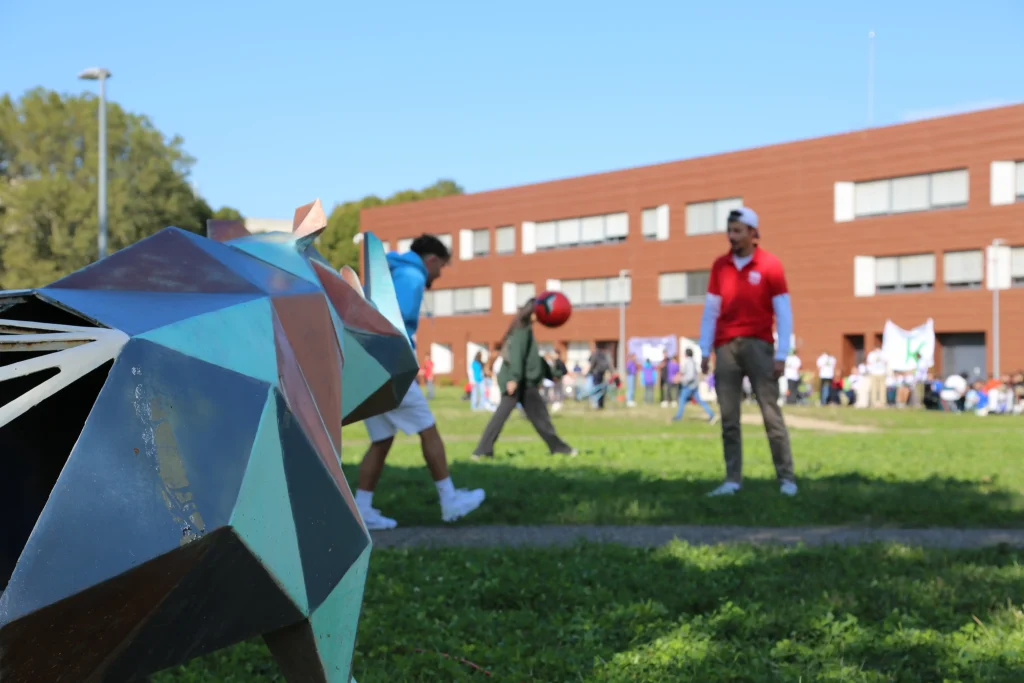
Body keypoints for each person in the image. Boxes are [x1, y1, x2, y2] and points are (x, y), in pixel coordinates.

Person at [357, 234, 485, 530]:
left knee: (382, 439)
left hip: (367, 363)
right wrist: (404, 361)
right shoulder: (413, 276)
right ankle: (449, 500)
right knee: (428, 428)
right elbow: (393, 321)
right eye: (441, 267)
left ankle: (362, 508)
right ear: (431, 260)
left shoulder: (390, 272)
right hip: (388, 364)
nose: (439, 275)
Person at [698, 207, 798, 497]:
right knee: (729, 417)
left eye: (738, 231)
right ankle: (732, 480)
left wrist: (782, 354)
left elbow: (784, 311)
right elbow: (711, 310)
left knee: (770, 413)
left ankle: (786, 478)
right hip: (726, 346)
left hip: (759, 345)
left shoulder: (770, 265)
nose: (732, 237)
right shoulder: (720, 266)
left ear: (754, 234)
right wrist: (705, 349)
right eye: (730, 231)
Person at [472, 300, 576, 459]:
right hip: (521, 383)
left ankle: (558, 447)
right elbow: (517, 357)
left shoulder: (525, 330)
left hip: (526, 383)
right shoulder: (522, 331)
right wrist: (514, 378)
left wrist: (550, 373)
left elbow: (533, 359)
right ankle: (482, 450)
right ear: (533, 312)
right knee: (504, 416)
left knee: (540, 417)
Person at [671, 349, 718, 424]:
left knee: (682, 400)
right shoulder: (692, 361)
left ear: (686, 354)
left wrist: (680, 379)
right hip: (693, 385)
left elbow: (690, 376)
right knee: (700, 401)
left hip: (689, 386)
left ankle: (678, 416)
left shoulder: (688, 362)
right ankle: (712, 414)